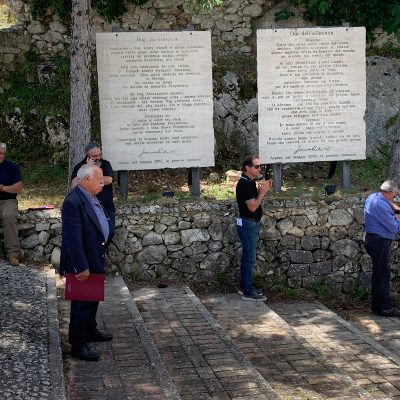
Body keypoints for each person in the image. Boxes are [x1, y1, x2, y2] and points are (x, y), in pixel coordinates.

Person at [60, 164, 113, 361]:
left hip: (94, 255)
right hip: (83, 262)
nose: (102, 183)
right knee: (82, 303)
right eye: (99, 179)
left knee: (92, 299)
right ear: (86, 179)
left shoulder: (90, 197)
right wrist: (81, 266)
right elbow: (72, 239)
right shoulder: (73, 202)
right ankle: (78, 343)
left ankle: (90, 330)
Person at [236, 154, 273, 301]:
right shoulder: (244, 183)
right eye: (257, 166)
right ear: (248, 168)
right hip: (248, 223)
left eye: (260, 166)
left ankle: (245, 287)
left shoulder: (250, 182)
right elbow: (252, 207)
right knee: (250, 258)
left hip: (250, 223)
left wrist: (260, 190)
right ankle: (248, 292)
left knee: (248, 257)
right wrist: (263, 192)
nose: (260, 169)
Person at [364, 180, 400, 317]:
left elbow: (389, 204)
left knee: (380, 273)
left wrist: (395, 208)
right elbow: (394, 227)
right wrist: (398, 217)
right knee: (383, 275)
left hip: (373, 239)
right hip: (379, 241)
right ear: (390, 193)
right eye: (395, 194)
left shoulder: (374, 197)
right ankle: (384, 307)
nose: (395, 197)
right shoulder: (380, 205)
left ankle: (378, 306)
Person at [70, 141, 115, 245]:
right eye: (95, 156)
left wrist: (93, 177)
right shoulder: (79, 167)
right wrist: (86, 170)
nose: (98, 157)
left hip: (105, 206)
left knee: (110, 231)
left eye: (100, 154)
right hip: (87, 206)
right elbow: (73, 184)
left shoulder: (105, 164)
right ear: (88, 155)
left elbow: (109, 179)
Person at [0, 143, 23, 266]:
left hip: (8, 200)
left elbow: (19, 187)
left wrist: (3, 188)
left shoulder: (11, 167)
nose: (1, 156)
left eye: (3, 153)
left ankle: (13, 254)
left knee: (9, 216)